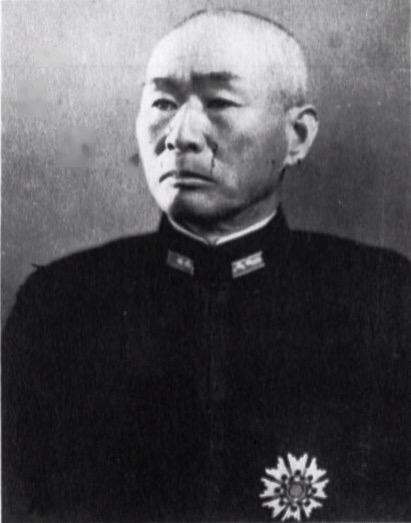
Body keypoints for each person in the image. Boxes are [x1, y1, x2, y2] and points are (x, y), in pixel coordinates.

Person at [3, 8, 410, 522]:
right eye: (162, 103)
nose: (181, 135)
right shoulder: (60, 304)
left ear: (298, 136)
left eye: (219, 102)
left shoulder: (385, 299)